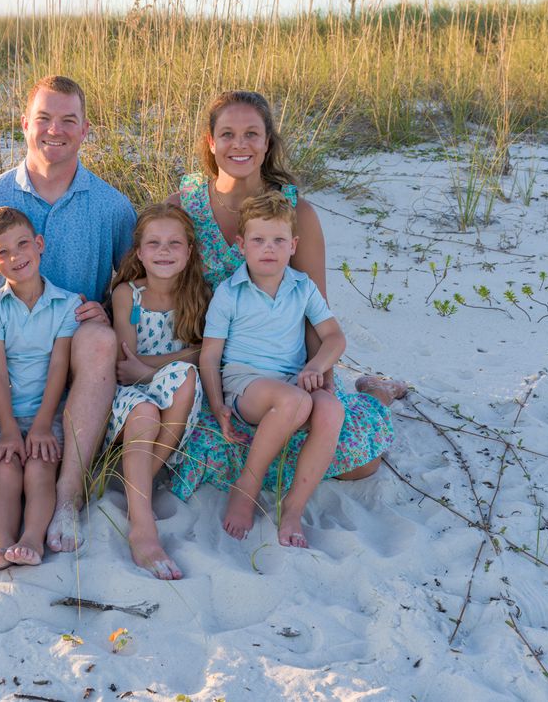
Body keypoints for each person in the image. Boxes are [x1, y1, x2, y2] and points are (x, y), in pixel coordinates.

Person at [167, 90, 407, 502]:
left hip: (288, 371)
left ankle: (377, 391)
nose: (239, 144)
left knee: (360, 461)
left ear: (267, 142)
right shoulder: (182, 208)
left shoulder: (298, 214)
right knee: (204, 457)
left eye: (251, 134)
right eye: (227, 134)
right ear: (210, 142)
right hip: (218, 374)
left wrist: (323, 378)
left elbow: (316, 312)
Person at [0, 75, 137, 552]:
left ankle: (67, 498)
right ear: (25, 124)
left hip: (72, 359)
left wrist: (109, 311)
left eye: (69, 120)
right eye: (44, 119)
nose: (56, 130)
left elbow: (137, 284)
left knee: (99, 338)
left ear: (85, 129)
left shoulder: (111, 206)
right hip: (1, 357)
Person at [201, 192, 345, 547]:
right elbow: (209, 356)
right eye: (259, 240)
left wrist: (317, 366)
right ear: (241, 244)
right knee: (296, 401)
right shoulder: (230, 292)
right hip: (245, 385)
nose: (269, 248)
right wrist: (218, 404)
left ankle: (294, 507)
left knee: (331, 409)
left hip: (291, 382)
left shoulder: (301, 287)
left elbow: (335, 338)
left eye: (279, 240)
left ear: (294, 244)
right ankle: (245, 487)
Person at [0, 208, 79, 573]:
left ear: (39, 244)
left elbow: (59, 369)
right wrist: (7, 430)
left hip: (48, 413)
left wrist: (42, 425)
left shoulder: (67, 303)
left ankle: (32, 539)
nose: (16, 257)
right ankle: (2, 545)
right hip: (5, 414)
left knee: (39, 467)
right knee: (5, 471)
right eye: (3, 252)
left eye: (22, 245)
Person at [106, 203, 209, 580]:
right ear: (138, 251)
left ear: (189, 251)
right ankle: (143, 527)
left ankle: (139, 486)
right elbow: (125, 364)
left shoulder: (197, 294)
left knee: (186, 377)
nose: (164, 251)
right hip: (131, 396)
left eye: (173, 243)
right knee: (149, 407)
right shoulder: (127, 296)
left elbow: (204, 352)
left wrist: (150, 367)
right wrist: (161, 366)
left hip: (172, 387)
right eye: (154, 243)